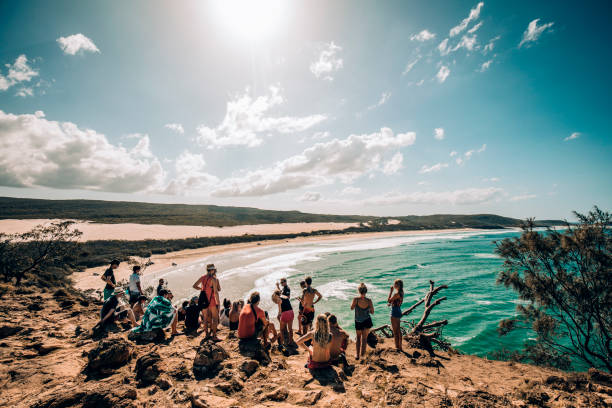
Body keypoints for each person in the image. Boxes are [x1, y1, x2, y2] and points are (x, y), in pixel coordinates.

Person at [192, 263, 221, 341]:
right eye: (214, 269)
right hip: (211, 301)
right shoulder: (213, 279)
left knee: (205, 318)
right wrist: (218, 303)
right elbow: (216, 292)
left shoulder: (202, 277)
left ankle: (207, 334)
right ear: (212, 270)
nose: (215, 271)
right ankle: (214, 336)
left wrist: (201, 289)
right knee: (215, 318)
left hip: (203, 300)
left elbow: (194, 285)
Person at [351, 283, 375, 360]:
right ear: (366, 291)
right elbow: (372, 312)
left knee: (358, 338)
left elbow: (352, 308)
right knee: (365, 339)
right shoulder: (369, 301)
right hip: (367, 320)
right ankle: (363, 355)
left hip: (358, 321)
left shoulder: (356, 299)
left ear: (359, 291)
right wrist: (366, 310)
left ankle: (357, 355)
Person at [388, 279, 404, 351]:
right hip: (398, 310)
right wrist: (391, 303)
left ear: (398, 285)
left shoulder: (396, 294)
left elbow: (389, 300)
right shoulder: (401, 292)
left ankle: (396, 347)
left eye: (395, 284)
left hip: (394, 311)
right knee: (398, 330)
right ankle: (400, 346)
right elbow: (395, 301)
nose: (394, 285)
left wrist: (391, 291)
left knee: (395, 331)